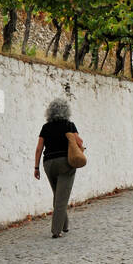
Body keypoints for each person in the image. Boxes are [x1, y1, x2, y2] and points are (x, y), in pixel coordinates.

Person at [35, 99, 81, 239]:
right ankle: (56, 231)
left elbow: (39, 149)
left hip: (48, 164)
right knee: (61, 197)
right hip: (66, 163)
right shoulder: (69, 125)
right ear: (66, 111)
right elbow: (79, 142)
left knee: (58, 194)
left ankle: (64, 225)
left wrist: (36, 167)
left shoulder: (46, 127)